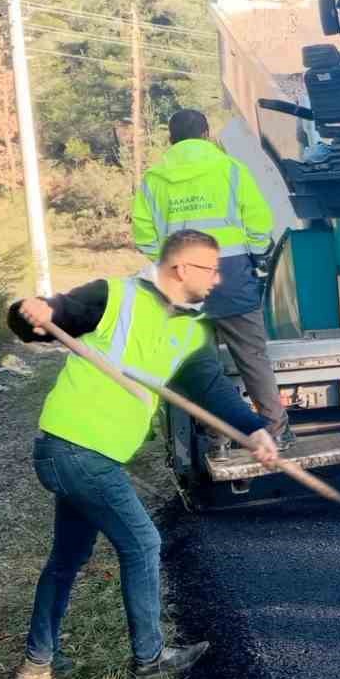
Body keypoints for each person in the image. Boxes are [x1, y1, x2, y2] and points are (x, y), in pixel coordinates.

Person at [8, 230, 281, 679]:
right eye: (211, 269)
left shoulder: (190, 327)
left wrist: (253, 428)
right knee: (143, 544)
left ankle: (38, 662)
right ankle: (150, 660)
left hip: (89, 454)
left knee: (69, 555)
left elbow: (209, 387)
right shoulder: (113, 296)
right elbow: (50, 315)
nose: (217, 280)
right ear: (181, 269)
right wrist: (29, 310)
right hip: (76, 449)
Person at [132, 109, 289, 442]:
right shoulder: (230, 169)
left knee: (199, 364)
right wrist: (256, 252)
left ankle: (216, 440)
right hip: (231, 276)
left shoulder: (154, 180)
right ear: (205, 134)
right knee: (252, 358)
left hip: (183, 283)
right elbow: (259, 222)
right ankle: (275, 431)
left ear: (170, 139)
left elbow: (144, 237)